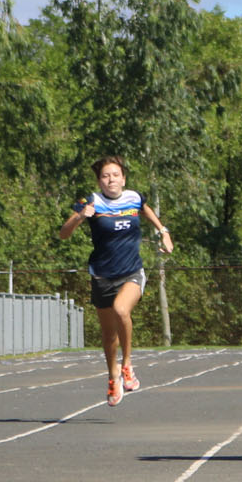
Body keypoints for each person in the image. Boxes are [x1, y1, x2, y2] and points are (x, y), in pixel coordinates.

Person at [59, 156, 173, 407]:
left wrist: (163, 232)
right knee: (109, 336)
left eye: (115, 175)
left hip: (131, 271)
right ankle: (113, 377)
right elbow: (63, 233)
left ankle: (127, 364)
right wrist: (80, 217)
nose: (110, 179)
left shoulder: (134, 197)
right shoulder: (90, 201)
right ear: (99, 181)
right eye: (105, 176)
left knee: (122, 309)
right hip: (102, 275)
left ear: (123, 178)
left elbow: (146, 210)